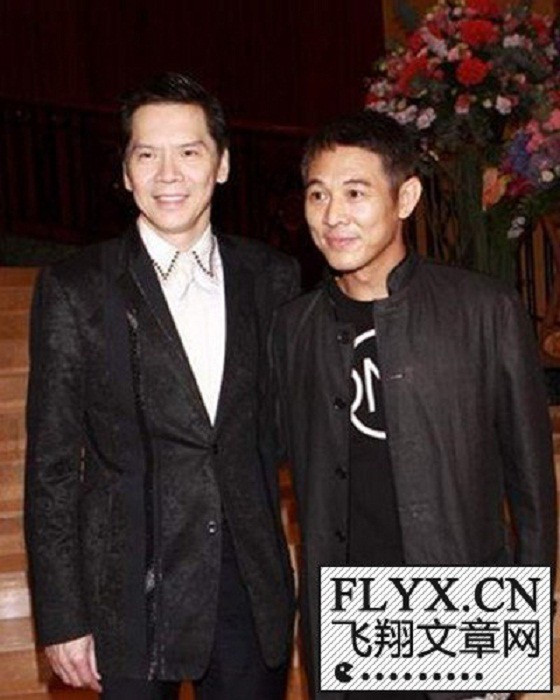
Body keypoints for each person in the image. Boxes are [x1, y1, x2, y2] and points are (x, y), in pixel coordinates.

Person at [24, 71, 299, 700]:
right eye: (147, 154)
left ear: (222, 165)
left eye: (189, 152)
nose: (168, 174)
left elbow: (292, 436)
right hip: (126, 595)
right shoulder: (76, 288)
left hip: (248, 590)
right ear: (126, 172)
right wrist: (63, 617)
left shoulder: (272, 277)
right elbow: (52, 467)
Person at [269, 110, 557, 700]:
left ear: (406, 197)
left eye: (355, 193)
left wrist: (530, 613)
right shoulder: (292, 328)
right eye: (318, 194)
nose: (333, 215)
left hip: (468, 599)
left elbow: (531, 483)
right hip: (347, 607)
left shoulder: (485, 310)